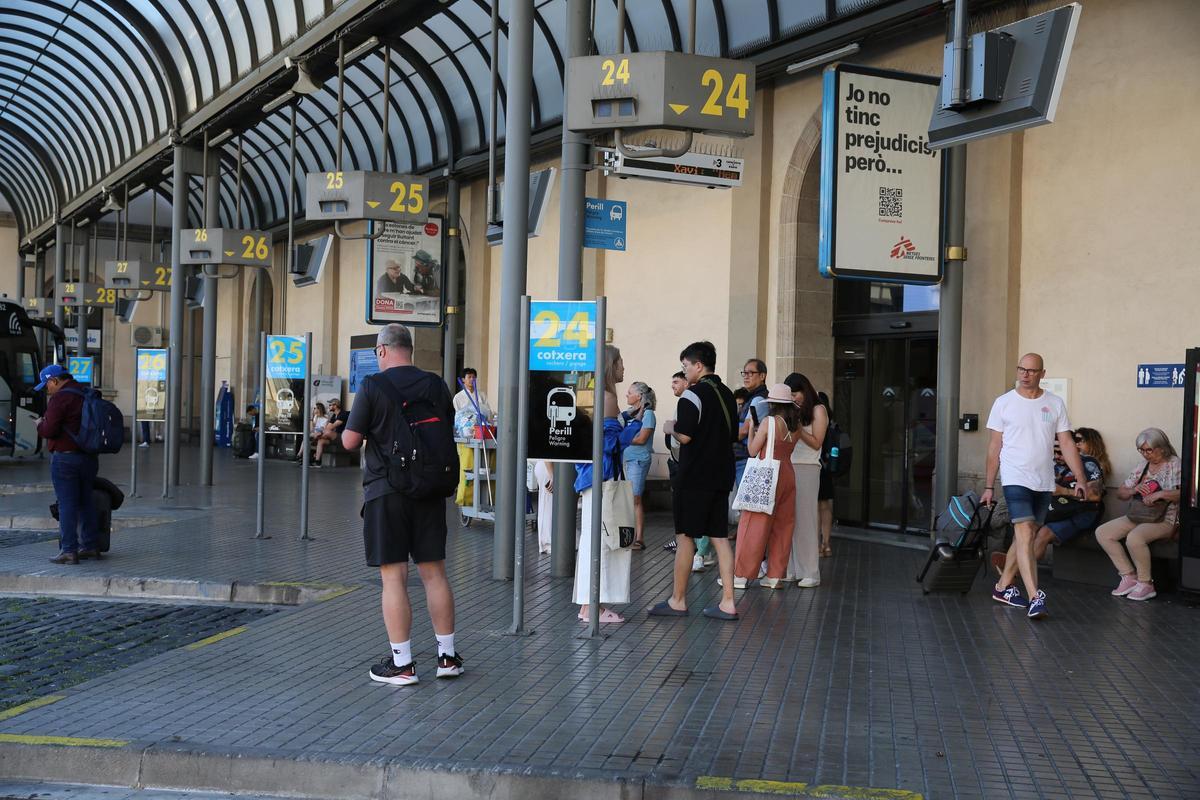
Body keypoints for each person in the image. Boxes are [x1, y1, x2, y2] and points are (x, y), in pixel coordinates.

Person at [341, 323, 462, 686]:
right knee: (434, 573)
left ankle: (403, 664)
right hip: (429, 489)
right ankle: (447, 657)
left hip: (387, 492)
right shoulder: (435, 384)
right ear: (409, 349)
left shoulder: (373, 386)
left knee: (394, 577)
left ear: (381, 351)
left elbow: (349, 441)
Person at [982, 353, 1088, 619]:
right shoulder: (1004, 403)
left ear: (1043, 373)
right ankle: (1035, 597)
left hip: (1043, 481)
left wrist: (1081, 479)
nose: (1025, 374)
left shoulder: (1054, 403)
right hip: (1015, 477)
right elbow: (994, 447)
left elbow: (1065, 443)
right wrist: (988, 486)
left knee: (1025, 534)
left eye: (1031, 370)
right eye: (1021, 369)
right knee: (1026, 533)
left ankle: (1003, 586)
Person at [649, 340, 739, 621]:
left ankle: (678, 599)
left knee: (686, 536)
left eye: (686, 366)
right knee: (720, 537)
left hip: (694, 476)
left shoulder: (692, 395)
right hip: (722, 474)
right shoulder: (727, 394)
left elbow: (686, 436)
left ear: (699, 366)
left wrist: (670, 428)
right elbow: (734, 434)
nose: (684, 372)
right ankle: (728, 602)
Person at [992, 426, 1109, 577]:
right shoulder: (1052, 464)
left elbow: (1095, 495)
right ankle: (1013, 564)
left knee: (1045, 533)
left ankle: (1015, 570)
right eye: (1054, 452)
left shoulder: (1087, 463)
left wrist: (1063, 491)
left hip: (1082, 512)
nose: (1057, 457)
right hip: (1056, 510)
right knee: (1025, 527)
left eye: (1061, 452)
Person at [573, 345, 634, 623]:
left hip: (591, 478)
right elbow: (606, 444)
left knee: (592, 539)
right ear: (611, 365)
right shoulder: (608, 397)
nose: (623, 367)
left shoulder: (591, 393)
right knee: (603, 541)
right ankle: (592, 607)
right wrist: (631, 428)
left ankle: (589, 603)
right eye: (620, 362)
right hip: (604, 478)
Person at [1095, 428, 1181, 602]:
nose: (1145, 454)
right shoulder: (1143, 466)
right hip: (1140, 514)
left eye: (1149, 450)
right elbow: (1120, 493)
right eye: (1141, 450)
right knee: (1103, 533)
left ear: (1162, 447)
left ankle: (1146, 583)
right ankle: (1128, 576)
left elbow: (1184, 494)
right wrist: (1134, 489)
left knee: (1135, 537)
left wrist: (1160, 494)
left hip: (1166, 519)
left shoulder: (1175, 464)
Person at [733, 383, 800, 588]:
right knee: (783, 526)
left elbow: (753, 451)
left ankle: (742, 575)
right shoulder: (795, 426)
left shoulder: (769, 422)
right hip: (788, 474)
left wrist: (753, 429)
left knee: (753, 524)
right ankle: (775, 576)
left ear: (772, 404)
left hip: (767, 476)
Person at [34, 364, 99, 564]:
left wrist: (39, 424)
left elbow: (49, 430)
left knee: (67, 504)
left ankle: (69, 549)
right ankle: (90, 545)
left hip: (65, 459)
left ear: (54, 380)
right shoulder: (87, 392)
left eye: (46, 385)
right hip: (89, 457)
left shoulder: (60, 398)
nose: (47, 389)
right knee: (86, 501)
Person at [784, 373, 828, 588]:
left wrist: (799, 429)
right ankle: (792, 569)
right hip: (789, 466)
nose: (793, 398)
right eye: (790, 395)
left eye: (795, 394)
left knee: (806, 521)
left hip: (808, 468)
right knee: (789, 520)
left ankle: (811, 571)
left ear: (805, 391)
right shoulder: (793, 410)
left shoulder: (818, 410)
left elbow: (817, 442)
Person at [621, 381, 656, 551]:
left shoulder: (648, 414)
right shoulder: (629, 414)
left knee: (635, 499)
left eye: (629, 392)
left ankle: (639, 538)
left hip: (638, 461)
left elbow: (642, 439)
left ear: (639, 396)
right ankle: (632, 536)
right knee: (631, 499)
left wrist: (623, 439)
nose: (626, 395)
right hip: (628, 460)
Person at [662, 370, 688, 553]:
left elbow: (683, 435)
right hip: (677, 459)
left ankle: (685, 543)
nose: (673, 385)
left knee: (682, 503)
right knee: (679, 502)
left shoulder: (687, 402)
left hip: (682, 461)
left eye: (676, 381)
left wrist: (670, 429)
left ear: (686, 382)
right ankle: (682, 540)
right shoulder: (682, 402)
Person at [816, 391, 836, 558]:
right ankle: (827, 544)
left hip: (817, 466)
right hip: (828, 467)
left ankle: (817, 544)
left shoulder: (816, 418)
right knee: (825, 506)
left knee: (816, 507)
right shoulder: (831, 421)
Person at [311, 398, 348, 466]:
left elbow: (332, 427)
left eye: (330, 405)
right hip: (333, 437)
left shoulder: (343, 414)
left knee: (327, 432)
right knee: (321, 441)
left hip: (342, 437)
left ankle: (315, 437)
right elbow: (327, 427)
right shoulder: (334, 415)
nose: (329, 406)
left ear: (335, 405)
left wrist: (319, 434)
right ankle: (317, 461)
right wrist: (320, 433)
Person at [533, 459, 553, 555]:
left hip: (549, 468)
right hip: (547, 469)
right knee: (547, 506)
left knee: (548, 505)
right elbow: (547, 454)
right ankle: (546, 544)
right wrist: (551, 474)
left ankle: (547, 542)